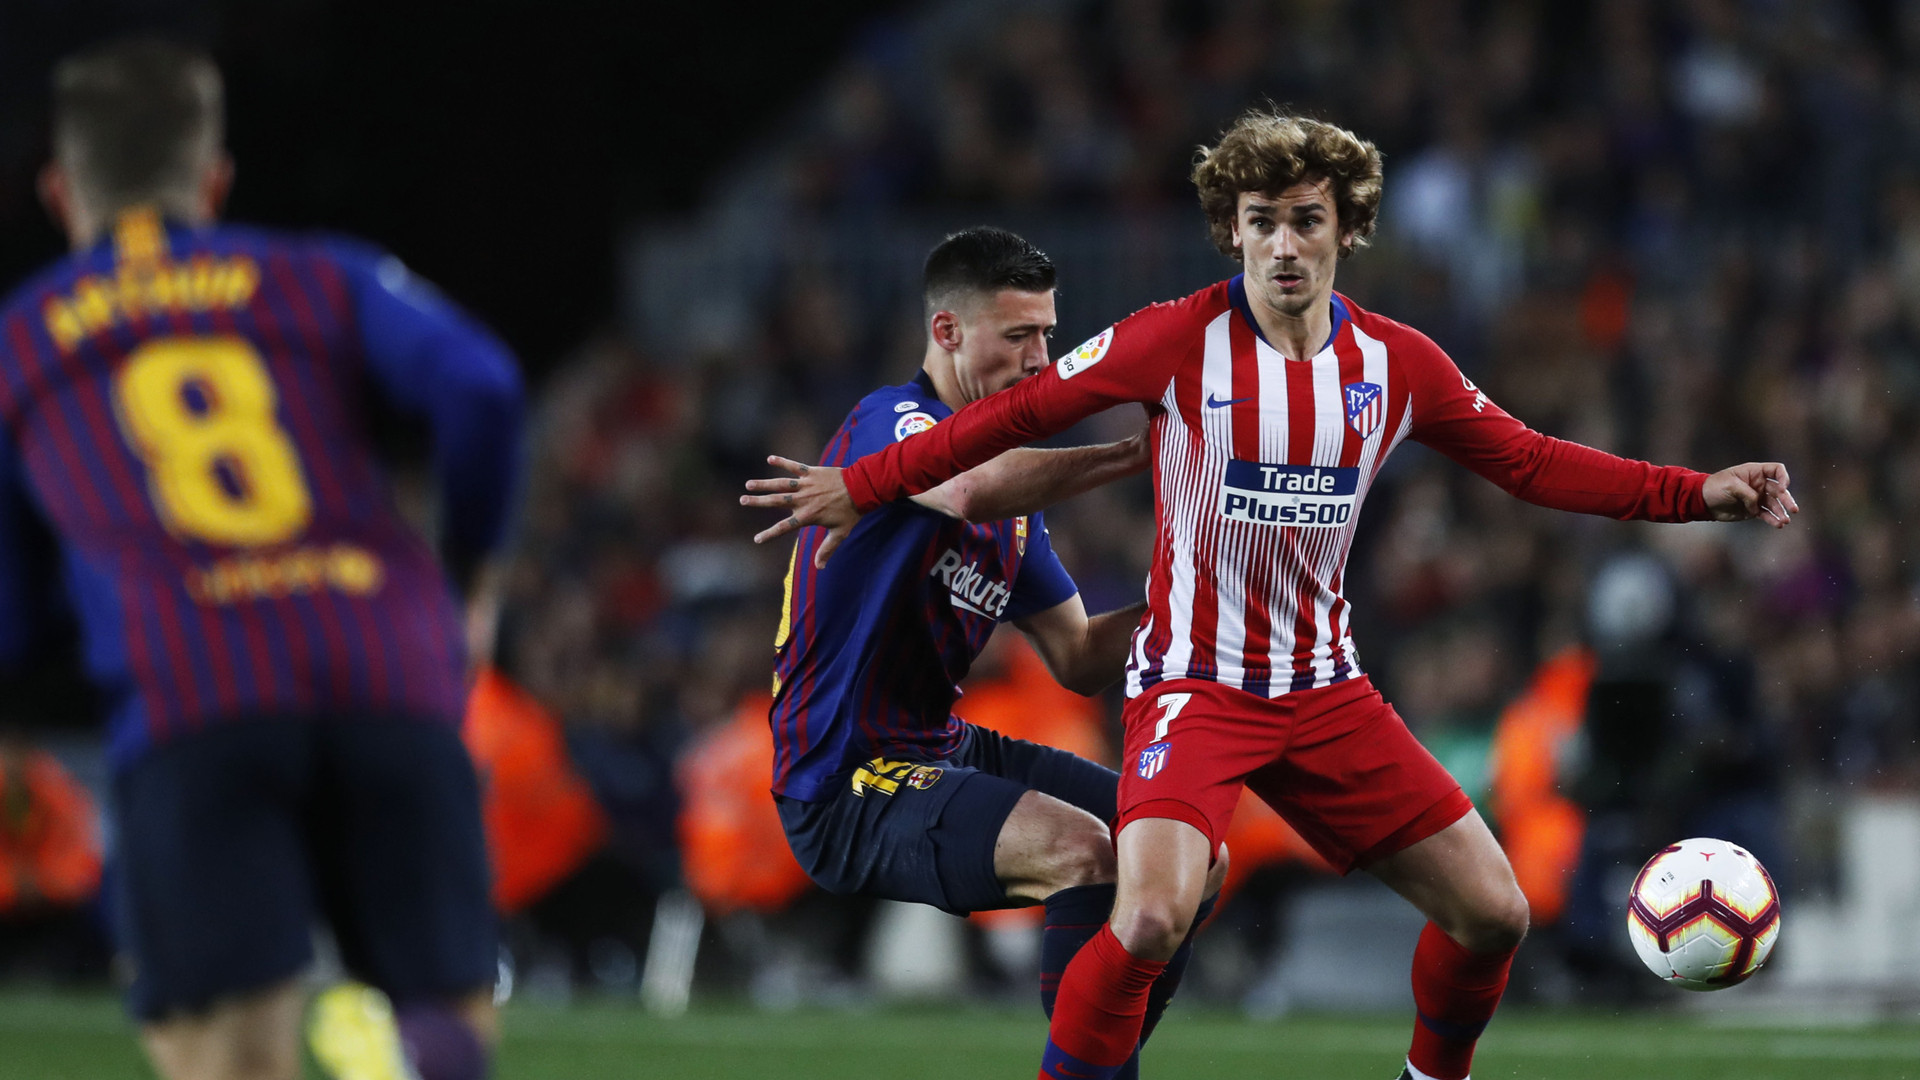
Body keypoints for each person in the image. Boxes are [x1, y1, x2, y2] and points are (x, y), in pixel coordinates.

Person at [748, 111, 1798, 1080]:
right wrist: (863, 484)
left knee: (1495, 913)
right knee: (1147, 913)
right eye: (1261, 221)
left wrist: (1694, 493)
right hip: (1194, 688)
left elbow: (1530, 461)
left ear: (1348, 230)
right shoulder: (1171, 340)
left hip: (1327, 692)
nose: (1284, 244)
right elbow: (1000, 432)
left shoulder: (1396, 364)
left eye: (1306, 219)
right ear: (1232, 232)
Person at [0, 38, 523, 1080]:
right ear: (215, 181)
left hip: (196, 690)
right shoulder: (316, 275)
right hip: (389, 667)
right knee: (444, 1020)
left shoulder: (23, 342)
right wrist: (473, 576)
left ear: (58, 193)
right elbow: (482, 387)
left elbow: (13, 615)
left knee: (224, 1054)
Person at [741, 226, 1224, 1077]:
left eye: (1049, 334)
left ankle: (1088, 1066)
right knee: (1083, 854)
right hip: (846, 776)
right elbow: (966, 486)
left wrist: (1199, 597)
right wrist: (1139, 452)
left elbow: (1079, 655)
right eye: (1019, 335)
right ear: (948, 331)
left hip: (941, 746)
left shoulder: (1016, 509)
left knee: (1192, 854)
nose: (1042, 359)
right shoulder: (890, 423)